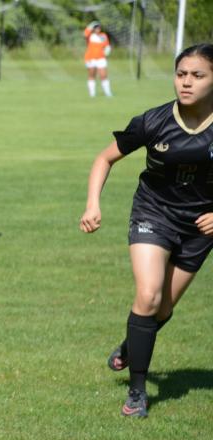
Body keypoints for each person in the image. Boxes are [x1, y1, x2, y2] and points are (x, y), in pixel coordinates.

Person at [80, 43, 213, 418]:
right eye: (181, 74)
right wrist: (93, 203)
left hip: (200, 228)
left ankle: (130, 344)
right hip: (153, 214)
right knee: (149, 294)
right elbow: (104, 158)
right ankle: (137, 391)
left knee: (161, 309)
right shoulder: (154, 121)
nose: (186, 83)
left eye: (198, 75)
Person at [84, 21, 113, 98]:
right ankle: (92, 94)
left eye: (98, 27)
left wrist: (107, 50)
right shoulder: (90, 36)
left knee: (103, 75)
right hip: (91, 58)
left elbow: (107, 45)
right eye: (96, 28)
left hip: (101, 58)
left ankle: (108, 93)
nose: (97, 29)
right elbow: (85, 33)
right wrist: (92, 24)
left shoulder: (103, 36)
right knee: (92, 75)